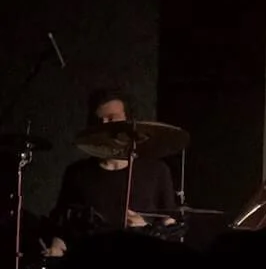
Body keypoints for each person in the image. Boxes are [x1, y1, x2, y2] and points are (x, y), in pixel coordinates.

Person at [49, 89, 175, 246]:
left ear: (130, 123)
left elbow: (170, 224)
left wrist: (147, 228)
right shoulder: (77, 173)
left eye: (112, 119)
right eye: (99, 121)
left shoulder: (157, 171)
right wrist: (57, 245)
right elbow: (61, 226)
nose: (105, 126)